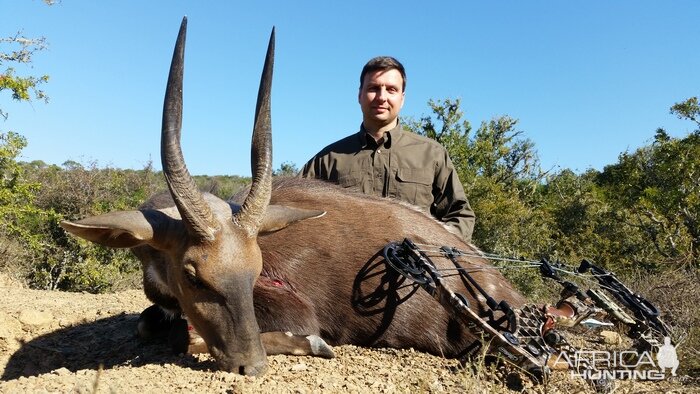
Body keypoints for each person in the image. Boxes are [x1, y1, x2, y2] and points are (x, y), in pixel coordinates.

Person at [299, 56, 476, 243]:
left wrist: (435, 252)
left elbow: (460, 214)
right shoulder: (327, 159)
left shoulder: (432, 154)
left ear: (402, 98)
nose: (382, 97)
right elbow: (296, 210)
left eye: (391, 90)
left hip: (416, 271)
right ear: (360, 95)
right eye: (373, 88)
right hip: (344, 271)